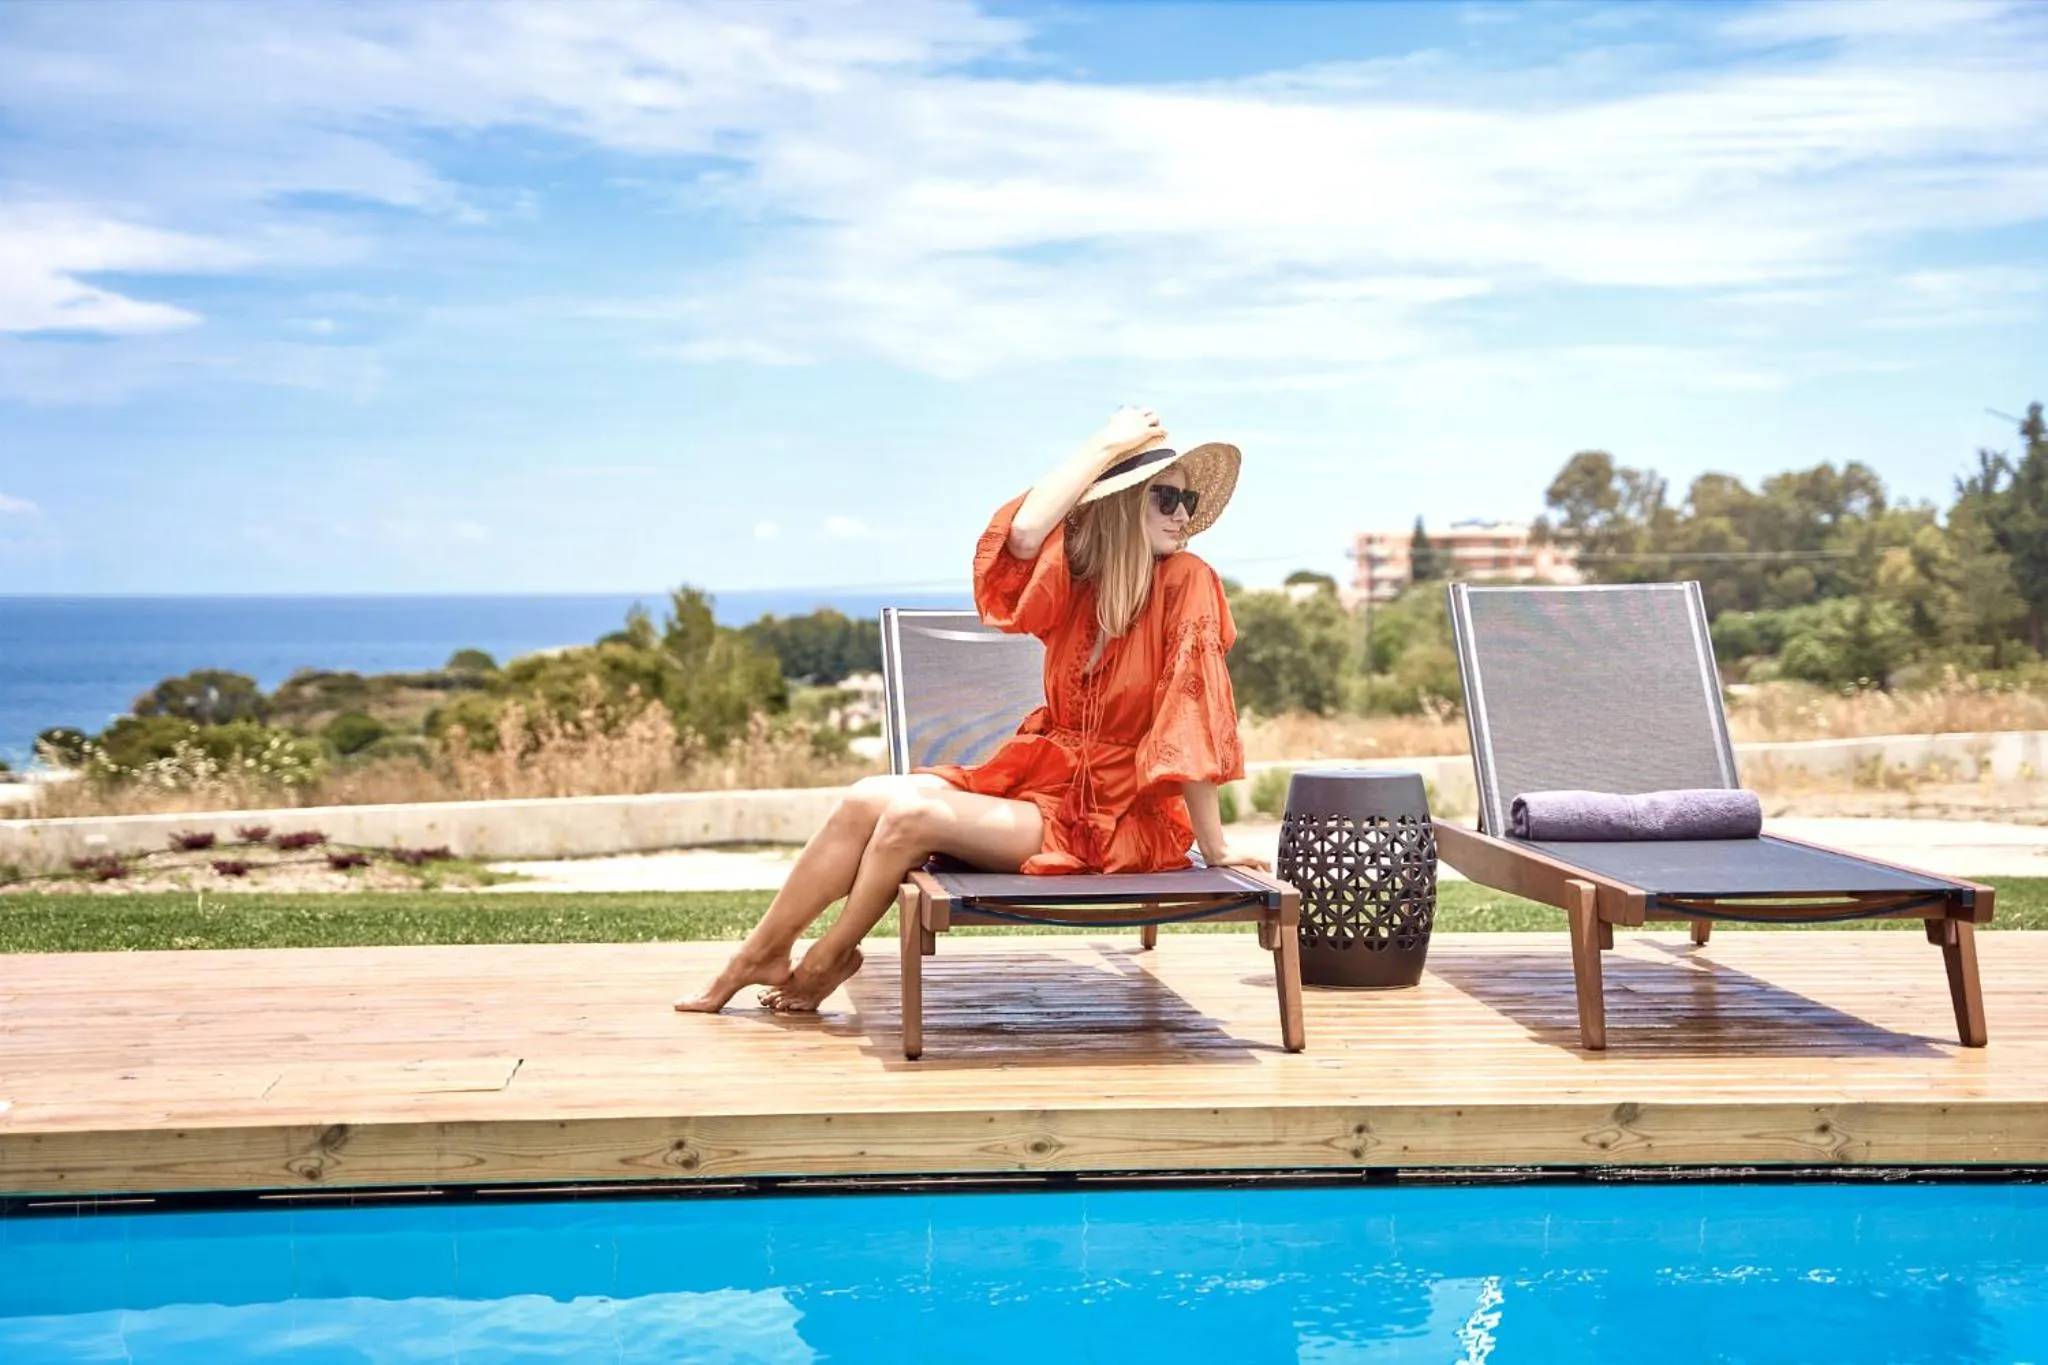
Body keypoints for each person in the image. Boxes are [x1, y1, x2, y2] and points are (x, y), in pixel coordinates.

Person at [675, 407, 1267, 1015]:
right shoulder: (1082, 581)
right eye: (1164, 498)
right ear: (1121, 506)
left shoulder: (1189, 580)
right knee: (861, 799)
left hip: (1117, 820)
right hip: (1052, 785)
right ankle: (761, 953)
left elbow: (1191, 717)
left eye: (1187, 501)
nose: (1182, 515)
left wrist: (1214, 847)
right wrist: (1101, 447)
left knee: (910, 816)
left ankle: (829, 956)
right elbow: (1025, 535)